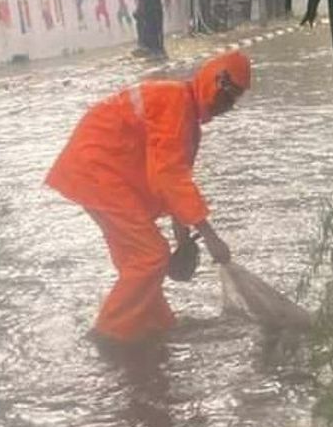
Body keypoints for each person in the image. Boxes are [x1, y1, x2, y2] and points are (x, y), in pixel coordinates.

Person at [45, 50, 252, 344]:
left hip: (96, 172)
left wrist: (182, 241)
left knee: (140, 261)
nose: (226, 106)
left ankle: (155, 325)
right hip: (98, 172)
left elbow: (174, 185)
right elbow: (171, 178)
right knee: (151, 256)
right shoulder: (176, 105)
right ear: (213, 81)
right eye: (226, 96)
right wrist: (210, 236)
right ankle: (109, 334)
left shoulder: (184, 115)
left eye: (233, 101)